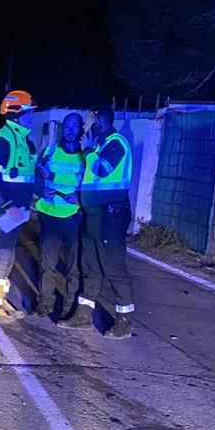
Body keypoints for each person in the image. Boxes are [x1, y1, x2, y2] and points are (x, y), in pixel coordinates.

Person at [60, 108, 135, 338]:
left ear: (100, 125)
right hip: (92, 215)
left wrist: (90, 151)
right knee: (90, 267)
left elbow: (102, 170)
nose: (84, 129)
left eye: (89, 125)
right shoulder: (99, 146)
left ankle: (124, 321)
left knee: (113, 267)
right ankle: (83, 315)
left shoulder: (115, 143)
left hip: (110, 216)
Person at [0, 90, 38, 323]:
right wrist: (5, 206)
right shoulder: (3, 139)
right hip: (4, 210)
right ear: (16, 113)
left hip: (17, 211)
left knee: (8, 254)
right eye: (28, 113)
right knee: (2, 255)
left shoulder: (23, 141)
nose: (31, 117)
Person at [33, 112, 86, 319]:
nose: (71, 130)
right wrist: (40, 190)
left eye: (76, 126)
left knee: (74, 266)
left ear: (81, 130)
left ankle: (69, 304)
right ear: (63, 128)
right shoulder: (49, 151)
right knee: (47, 263)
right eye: (68, 126)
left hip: (74, 218)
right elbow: (35, 177)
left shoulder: (86, 155)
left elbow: (92, 183)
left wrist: (80, 197)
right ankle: (45, 301)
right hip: (49, 214)